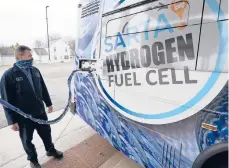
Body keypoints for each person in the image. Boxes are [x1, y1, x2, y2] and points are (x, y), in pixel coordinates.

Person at [0, 45, 63, 168]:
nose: (31, 58)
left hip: (40, 112)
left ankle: (50, 150)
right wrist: (11, 121)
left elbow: (43, 88)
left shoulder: (35, 70)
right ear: (20, 56)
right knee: (27, 140)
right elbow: (6, 100)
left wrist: (48, 103)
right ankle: (33, 160)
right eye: (29, 55)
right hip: (24, 116)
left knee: (46, 133)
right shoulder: (8, 75)